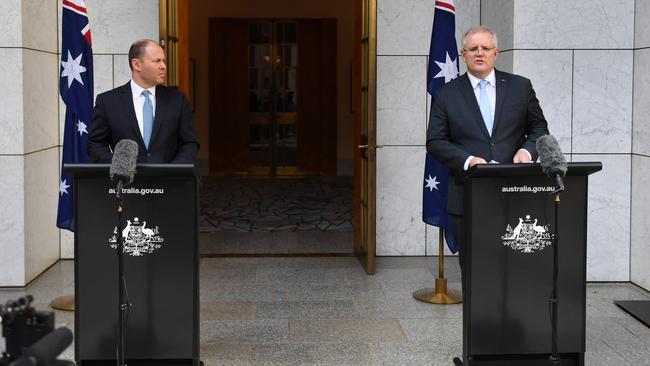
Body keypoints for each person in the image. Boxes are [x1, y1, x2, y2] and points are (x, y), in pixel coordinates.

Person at [426, 26, 549, 293]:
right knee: (474, 266)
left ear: (496, 53)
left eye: (484, 48)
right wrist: (469, 160)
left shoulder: (520, 86)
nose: (479, 53)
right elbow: (435, 141)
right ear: (463, 55)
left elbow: (539, 129)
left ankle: (513, 317)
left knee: (515, 262)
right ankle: (478, 324)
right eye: (473, 49)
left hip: (514, 191)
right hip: (468, 193)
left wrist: (526, 151)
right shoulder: (446, 94)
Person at [87, 39, 198, 163]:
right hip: (125, 181)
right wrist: (118, 165)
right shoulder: (108, 102)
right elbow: (95, 144)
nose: (164, 66)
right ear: (136, 64)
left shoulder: (178, 100)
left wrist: (174, 170)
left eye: (164, 61)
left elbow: (190, 143)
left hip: (169, 180)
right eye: (157, 61)